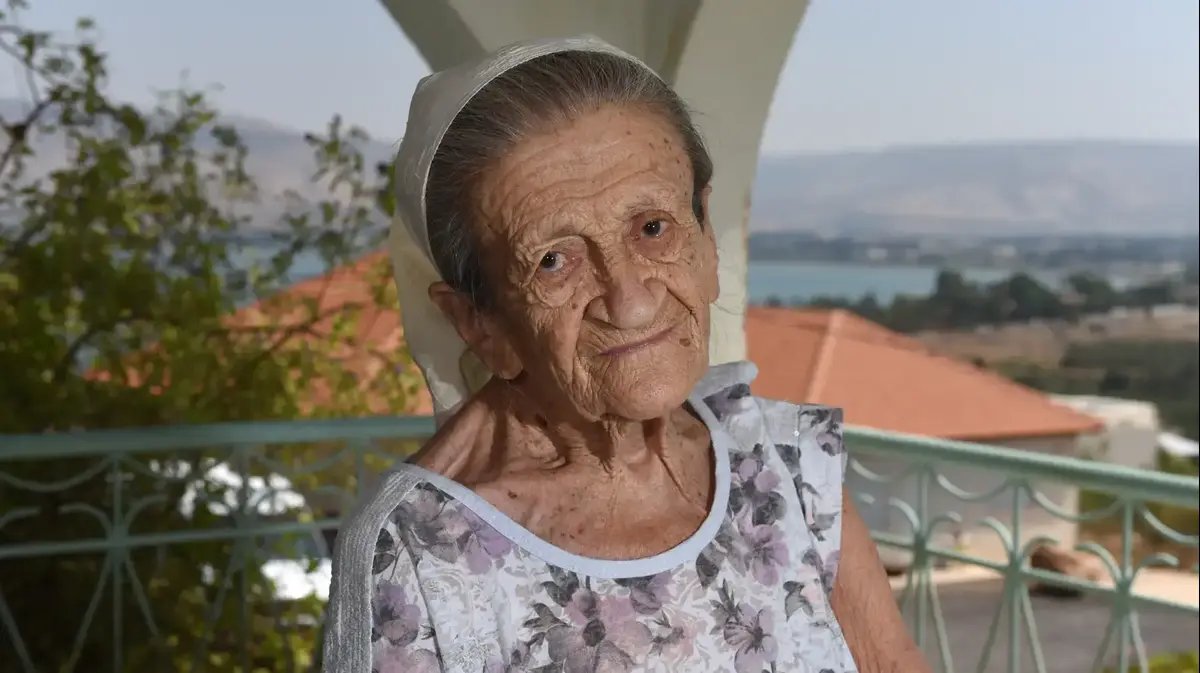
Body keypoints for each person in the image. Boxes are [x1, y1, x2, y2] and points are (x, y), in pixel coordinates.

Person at [323, 35, 928, 673]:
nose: (631, 302)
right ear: (480, 322)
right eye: (553, 261)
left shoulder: (788, 466)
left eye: (652, 228)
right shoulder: (421, 555)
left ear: (706, 237)